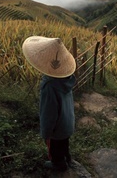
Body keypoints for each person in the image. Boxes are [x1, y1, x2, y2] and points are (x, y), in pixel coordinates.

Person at [22, 36, 76, 171]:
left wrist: (46, 133)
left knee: (55, 148)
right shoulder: (67, 79)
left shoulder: (49, 86)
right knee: (64, 144)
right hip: (68, 123)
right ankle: (67, 158)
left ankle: (59, 164)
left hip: (57, 129)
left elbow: (48, 113)